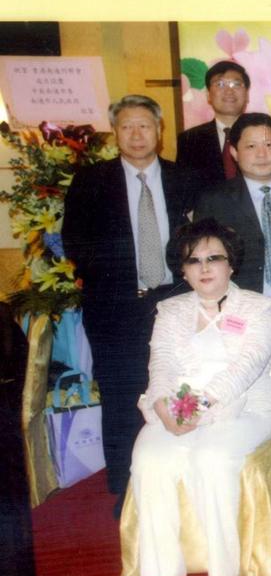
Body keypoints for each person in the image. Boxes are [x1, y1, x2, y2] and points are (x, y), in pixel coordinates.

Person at [128, 219, 271, 576]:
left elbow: (246, 366)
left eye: (214, 258)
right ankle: (163, 569)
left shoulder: (258, 307)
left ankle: (223, 566)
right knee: (149, 459)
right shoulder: (170, 310)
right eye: (193, 260)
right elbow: (160, 364)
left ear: (231, 264)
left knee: (210, 458)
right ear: (183, 270)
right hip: (178, 408)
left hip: (245, 409)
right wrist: (163, 407)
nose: (205, 268)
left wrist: (201, 406)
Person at [62, 95, 195, 508]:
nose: (137, 135)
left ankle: (183, 486)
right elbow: (75, 243)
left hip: (175, 304)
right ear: (115, 133)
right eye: (127, 126)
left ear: (159, 130)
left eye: (145, 126)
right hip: (116, 308)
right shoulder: (91, 181)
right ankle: (128, 492)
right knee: (122, 398)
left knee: (180, 391)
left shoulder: (186, 179)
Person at [192, 113, 271, 340]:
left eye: (269, 145)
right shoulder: (214, 200)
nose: (262, 154)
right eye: (251, 146)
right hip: (240, 314)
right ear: (234, 152)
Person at [176, 60, 251, 189]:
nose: (229, 91)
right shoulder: (190, 140)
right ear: (208, 95)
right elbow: (185, 189)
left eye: (236, 84)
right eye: (220, 84)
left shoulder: (266, 134)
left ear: (247, 95)